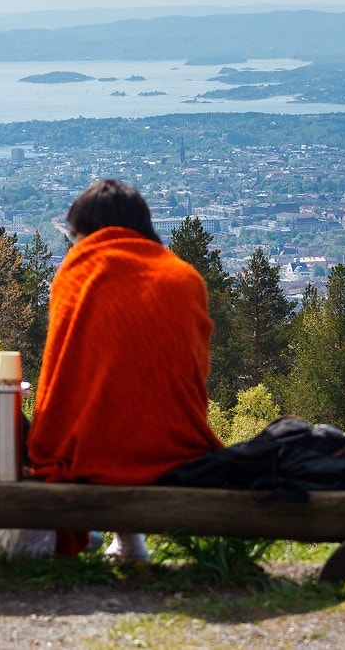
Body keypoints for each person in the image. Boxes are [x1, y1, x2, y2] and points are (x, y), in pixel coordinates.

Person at [28, 180, 221, 559]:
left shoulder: (79, 272)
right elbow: (197, 367)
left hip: (94, 449)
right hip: (176, 446)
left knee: (101, 409)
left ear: (86, 232)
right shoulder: (183, 276)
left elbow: (61, 370)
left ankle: (125, 541)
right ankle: (130, 541)